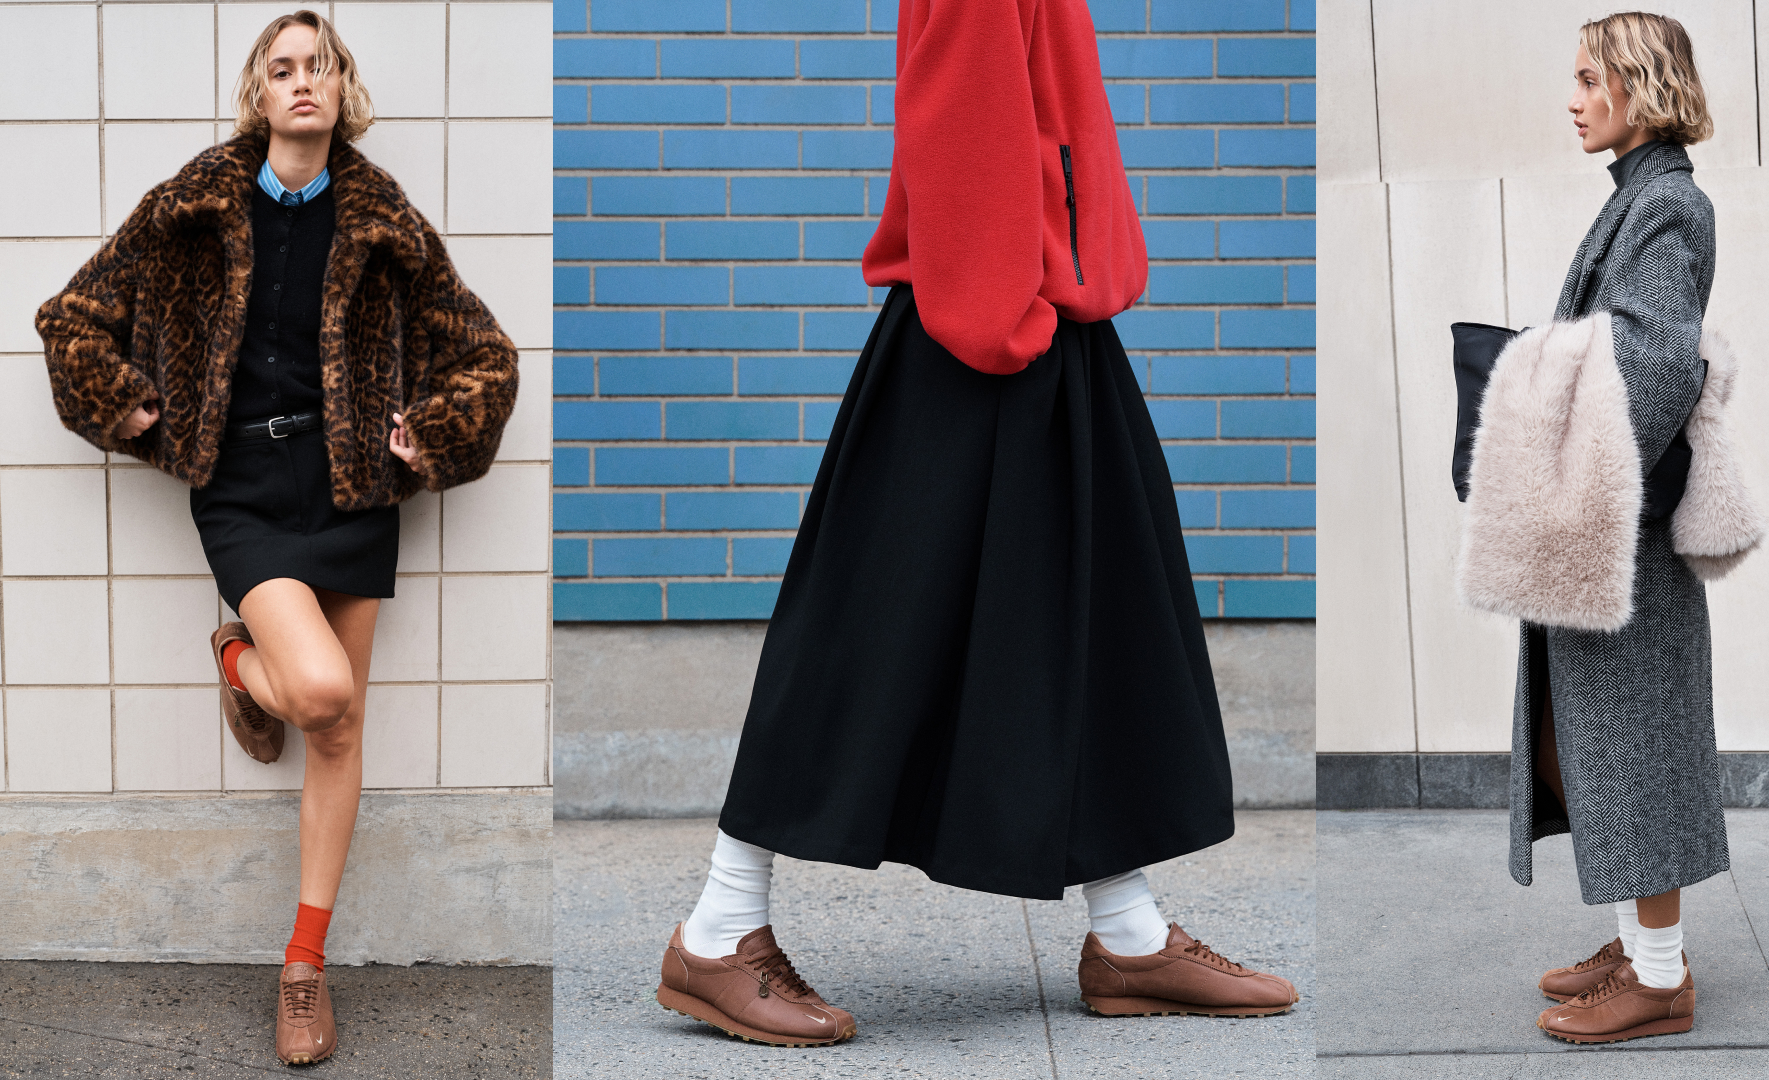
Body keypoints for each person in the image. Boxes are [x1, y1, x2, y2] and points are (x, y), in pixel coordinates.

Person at [651, 0, 1296, 1048]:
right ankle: (719, 929)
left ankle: (1128, 936)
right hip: (987, 328)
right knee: (863, 634)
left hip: (1033, 316)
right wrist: (1005, 319)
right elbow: (962, 123)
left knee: (1082, 618)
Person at [35, 10, 517, 1065]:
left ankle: (303, 969)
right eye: (284, 68)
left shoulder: (385, 216)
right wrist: (125, 404)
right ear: (259, 92)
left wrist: (425, 438)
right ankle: (241, 655)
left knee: (339, 734)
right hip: (245, 486)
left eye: (321, 67)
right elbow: (71, 317)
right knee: (322, 693)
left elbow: (486, 354)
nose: (304, 83)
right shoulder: (191, 207)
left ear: (343, 88)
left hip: (352, 488)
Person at [1511, 12, 1723, 1044]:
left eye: (1591, 77)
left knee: (1634, 743)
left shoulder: (1668, 209)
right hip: (1607, 532)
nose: (1574, 96)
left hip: (1621, 537)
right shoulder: (1639, 202)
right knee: (1593, 740)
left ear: (1638, 87)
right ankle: (1639, 943)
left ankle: (1660, 975)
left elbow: (1653, 367)